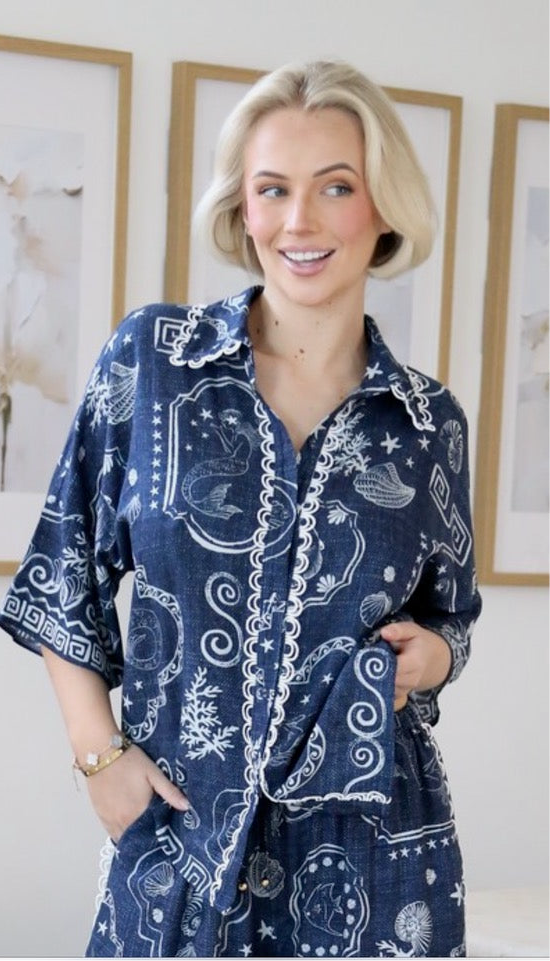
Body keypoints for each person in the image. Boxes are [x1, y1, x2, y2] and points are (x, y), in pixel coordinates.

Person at [0, 60, 481, 957]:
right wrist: (100, 759)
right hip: (178, 845)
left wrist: (438, 655)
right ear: (243, 209)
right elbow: (64, 570)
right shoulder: (154, 362)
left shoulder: (428, 424)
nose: (300, 221)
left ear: (384, 208)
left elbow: (452, 616)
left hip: (374, 866)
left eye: (336, 186)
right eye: (273, 189)